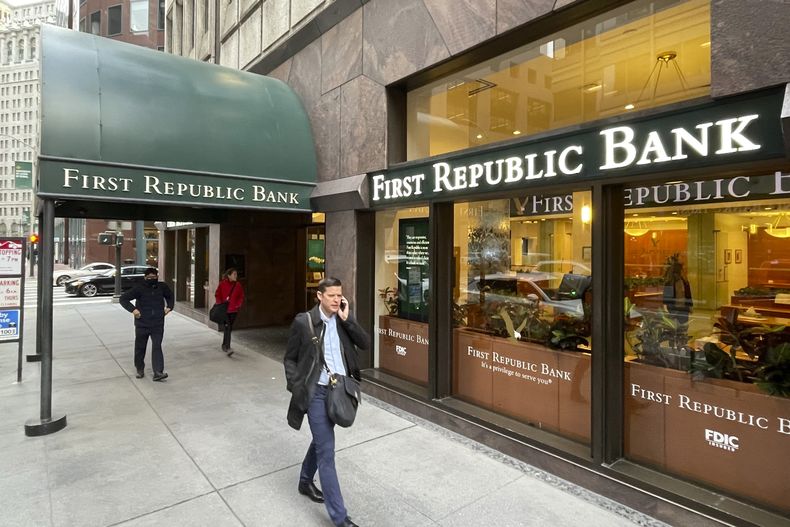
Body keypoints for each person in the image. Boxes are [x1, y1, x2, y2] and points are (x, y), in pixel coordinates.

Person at [284, 277, 370, 527]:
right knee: (327, 452)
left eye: (339, 295)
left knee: (322, 440)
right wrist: (296, 384)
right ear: (319, 296)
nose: (336, 299)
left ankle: (304, 480)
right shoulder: (305, 322)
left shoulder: (343, 321)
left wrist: (348, 319)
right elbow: (289, 358)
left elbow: (365, 344)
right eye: (331, 295)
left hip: (339, 390)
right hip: (315, 392)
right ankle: (339, 517)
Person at [120, 267, 174, 381]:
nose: (151, 279)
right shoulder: (139, 288)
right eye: (149, 278)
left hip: (157, 323)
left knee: (157, 346)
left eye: (154, 277)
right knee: (140, 347)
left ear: (157, 277)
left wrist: (169, 307)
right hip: (142, 323)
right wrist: (134, 310)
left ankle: (158, 372)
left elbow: (170, 296)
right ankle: (140, 368)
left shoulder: (162, 287)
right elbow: (123, 299)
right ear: (145, 278)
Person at [214, 267, 244, 356]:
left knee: (229, 328)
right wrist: (220, 303)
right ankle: (228, 347)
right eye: (234, 274)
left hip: (234, 311)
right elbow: (217, 294)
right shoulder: (222, 284)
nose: (236, 276)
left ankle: (224, 345)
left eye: (236, 274)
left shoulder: (238, 285)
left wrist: (238, 305)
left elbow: (241, 296)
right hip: (225, 310)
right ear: (229, 275)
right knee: (228, 327)